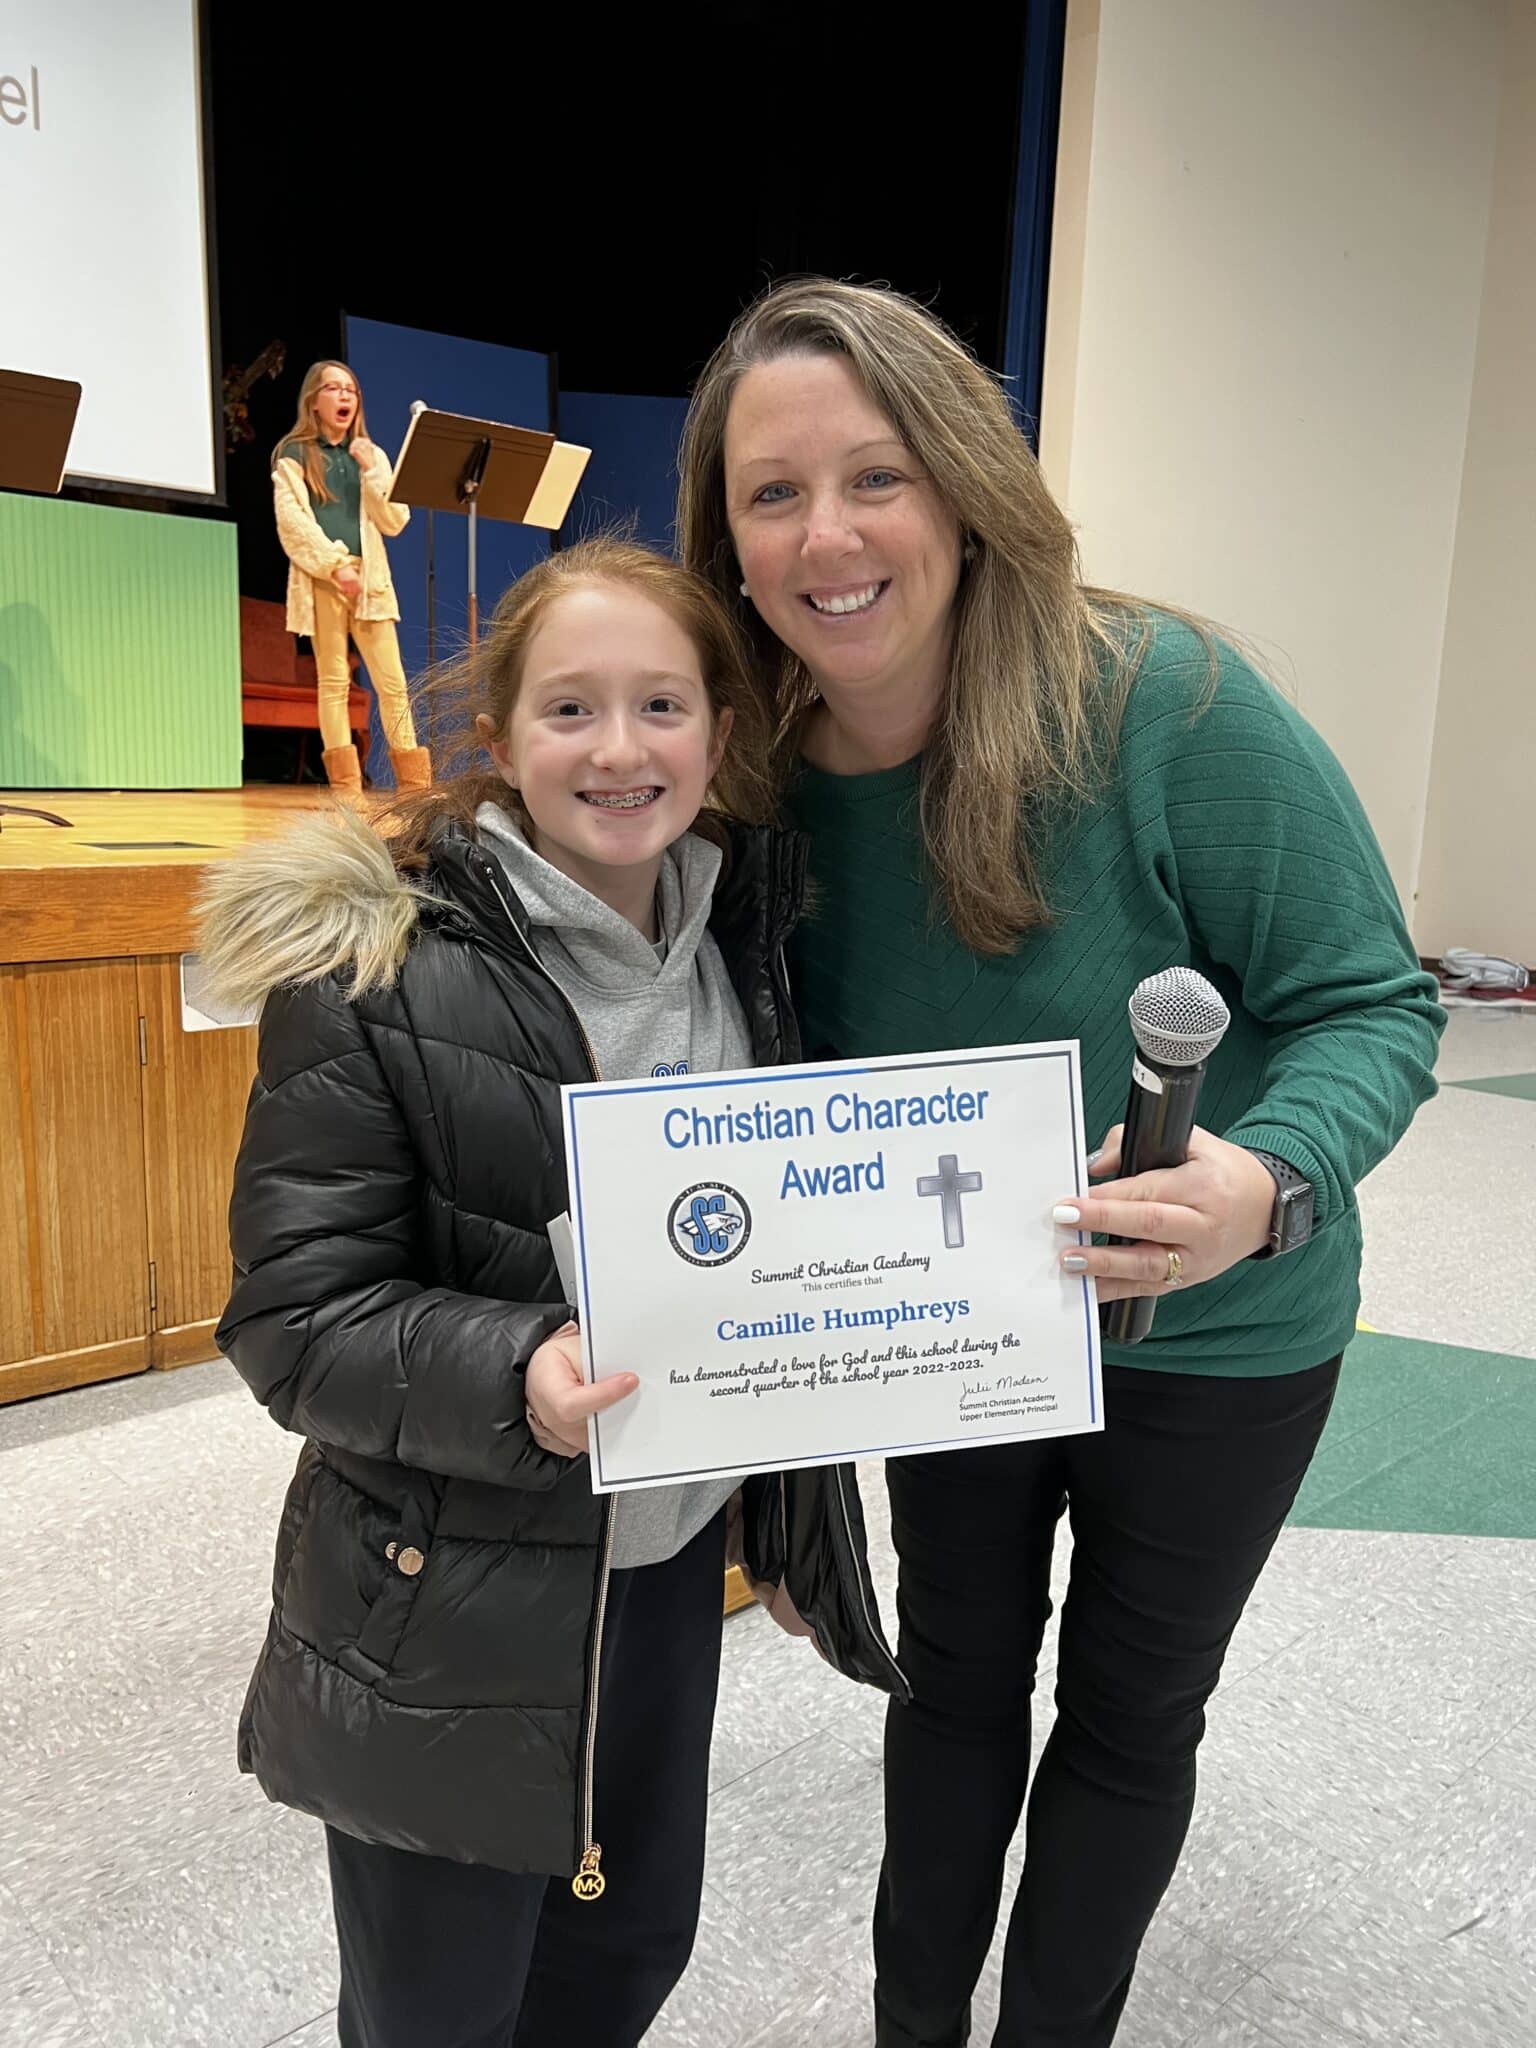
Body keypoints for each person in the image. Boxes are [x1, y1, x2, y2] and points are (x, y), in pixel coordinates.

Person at [677, 279, 1445, 2048]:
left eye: (874, 476)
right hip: (969, 1326)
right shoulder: (750, 776)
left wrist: (1261, 1182)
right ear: (726, 537)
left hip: (1225, 1333)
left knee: (1123, 1712)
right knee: (952, 1691)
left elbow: (1371, 1001)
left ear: (959, 487)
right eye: (771, 493)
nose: (828, 535)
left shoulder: (1161, 699)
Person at [197, 537, 897, 2048]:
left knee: (624, 1955)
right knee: (440, 2009)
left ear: (722, 729)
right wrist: (517, 1373)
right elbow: (292, 1318)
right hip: (445, 1595)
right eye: (571, 709)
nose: (622, 748)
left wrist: (795, 1506)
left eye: (663, 704)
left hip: (658, 1585)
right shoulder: (377, 965)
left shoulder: (752, 953)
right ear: (501, 736)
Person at [271, 359, 430, 798]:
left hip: (370, 577)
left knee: (392, 681)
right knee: (334, 680)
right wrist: (334, 565)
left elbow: (396, 519)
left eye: (351, 390)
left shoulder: (370, 453)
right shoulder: (294, 453)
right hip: (324, 578)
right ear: (314, 400)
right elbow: (293, 523)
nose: (344, 397)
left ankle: (415, 785)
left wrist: (373, 472)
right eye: (334, 389)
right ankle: (346, 786)